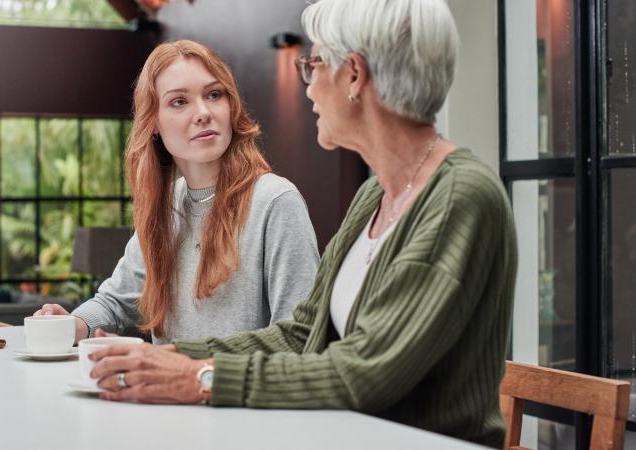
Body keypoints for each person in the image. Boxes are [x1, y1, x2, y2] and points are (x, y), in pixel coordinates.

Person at [87, 1, 517, 448]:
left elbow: (365, 373)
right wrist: (171, 358)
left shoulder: (459, 198)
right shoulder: (377, 194)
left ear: (353, 76)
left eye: (313, 64)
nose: (307, 86)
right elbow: (301, 332)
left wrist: (201, 376)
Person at [35, 40, 320, 345]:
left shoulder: (275, 201)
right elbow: (115, 301)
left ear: (231, 105)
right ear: (153, 122)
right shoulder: (167, 204)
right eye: (179, 101)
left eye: (214, 95)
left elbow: (298, 338)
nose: (203, 112)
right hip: (160, 393)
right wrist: (72, 323)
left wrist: (190, 370)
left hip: (233, 392)